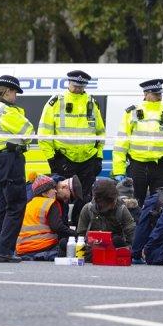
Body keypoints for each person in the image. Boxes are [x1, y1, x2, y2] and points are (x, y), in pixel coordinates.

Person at [37, 70, 105, 226]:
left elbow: (101, 133)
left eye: (81, 87)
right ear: (68, 83)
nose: (77, 89)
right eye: (75, 86)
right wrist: (52, 159)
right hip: (64, 159)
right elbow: (44, 134)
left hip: (88, 160)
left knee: (85, 198)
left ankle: (79, 230)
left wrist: (99, 157)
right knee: (61, 198)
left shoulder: (92, 103)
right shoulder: (56, 102)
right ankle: (62, 232)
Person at [112, 79, 163, 206]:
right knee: (134, 203)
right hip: (137, 166)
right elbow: (121, 144)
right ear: (145, 94)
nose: (159, 97)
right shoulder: (132, 112)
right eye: (155, 94)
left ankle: (156, 226)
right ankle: (135, 226)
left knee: (160, 204)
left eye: (160, 94)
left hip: (161, 166)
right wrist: (118, 170)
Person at [0, 75, 34, 263]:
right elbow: (29, 131)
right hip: (10, 159)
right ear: (8, 91)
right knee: (16, 205)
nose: (16, 97)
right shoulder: (6, 111)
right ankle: (5, 251)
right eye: (15, 93)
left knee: (1, 207)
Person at [16, 176, 76, 261]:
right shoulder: (50, 203)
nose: (55, 191)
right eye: (52, 189)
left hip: (22, 249)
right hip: (43, 246)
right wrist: (75, 234)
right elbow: (57, 227)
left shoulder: (29, 204)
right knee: (67, 245)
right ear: (45, 193)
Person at [77, 178, 136, 260]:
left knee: (117, 240)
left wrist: (127, 249)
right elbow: (80, 235)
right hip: (92, 248)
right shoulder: (87, 209)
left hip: (114, 248)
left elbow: (132, 235)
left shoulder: (121, 210)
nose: (114, 204)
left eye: (114, 200)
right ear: (99, 201)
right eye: (110, 202)